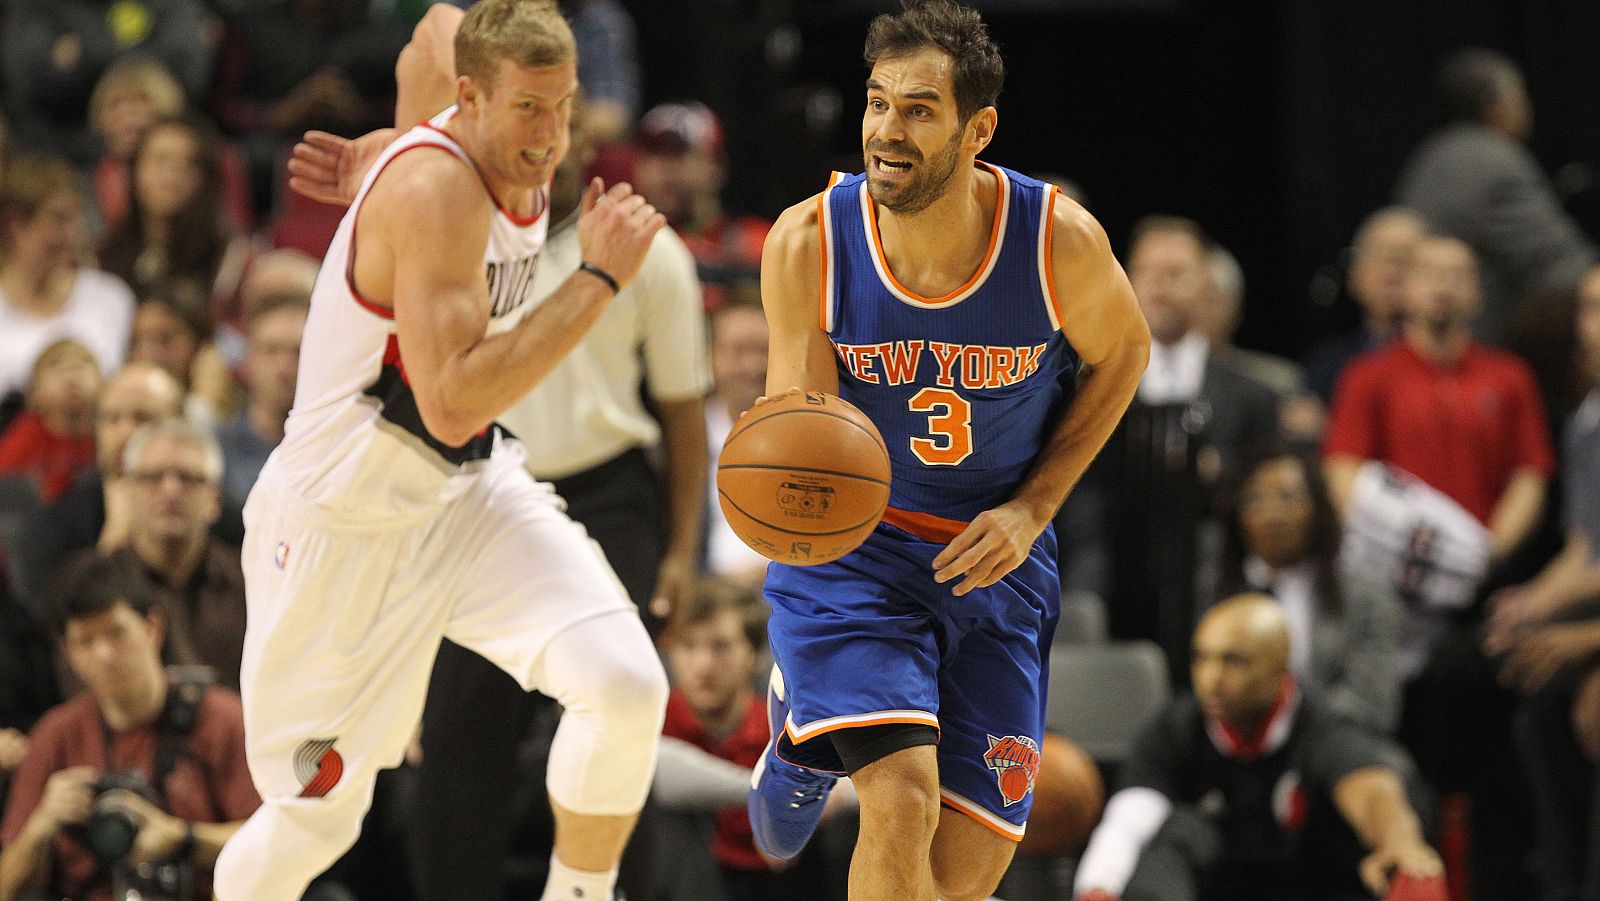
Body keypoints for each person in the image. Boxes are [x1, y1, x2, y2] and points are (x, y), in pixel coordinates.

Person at [210, 2, 671, 899]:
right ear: (471, 96)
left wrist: (385, 139)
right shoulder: (435, 190)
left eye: (565, 105)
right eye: (529, 109)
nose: (550, 136)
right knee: (318, 812)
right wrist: (600, 276)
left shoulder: (482, 122)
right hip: (343, 524)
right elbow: (453, 401)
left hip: (462, 496)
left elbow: (435, 24)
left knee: (624, 686)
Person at [748, 4, 1150, 900]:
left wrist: (1034, 506)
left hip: (994, 553)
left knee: (961, 878)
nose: (887, 130)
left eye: (919, 109)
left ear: (979, 129)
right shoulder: (810, 243)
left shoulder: (1056, 241)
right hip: (864, 549)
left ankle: (802, 730)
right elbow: (805, 436)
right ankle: (816, 712)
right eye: (878, 101)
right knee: (900, 802)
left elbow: (1126, 353)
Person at [407, 98, 708, 898]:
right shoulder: (459, 235)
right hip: (480, 492)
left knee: (618, 715)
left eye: (562, 133)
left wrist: (680, 554)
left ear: (586, 144)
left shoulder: (651, 249)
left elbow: (684, 422)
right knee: (457, 739)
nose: (546, 147)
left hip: (610, 497)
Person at [1071, 594, 1445, 901]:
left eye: (1234, 661)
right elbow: (1131, 818)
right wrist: (1098, 888)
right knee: (1176, 833)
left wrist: (1400, 845)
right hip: (1220, 885)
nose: (1211, 679)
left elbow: (1372, 791)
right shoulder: (1177, 726)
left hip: (1315, 884)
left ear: (1279, 667)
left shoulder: (1323, 725)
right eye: (1202, 658)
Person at [0, 556, 259, 901]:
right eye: (86, 642)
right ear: (67, 652)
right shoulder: (56, 735)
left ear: (153, 628)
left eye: (116, 633)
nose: (104, 654)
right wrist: (41, 827)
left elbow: (275, 843)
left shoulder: (221, 718)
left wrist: (184, 839)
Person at [654, 578, 844, 900]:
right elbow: (651, 769)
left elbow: (867, 776)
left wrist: (821, 794)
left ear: (755, 656)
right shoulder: (653, 717)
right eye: (688, 645)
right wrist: (778, 793)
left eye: (721, 646)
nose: (703, 664)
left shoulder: (783, 725)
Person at [1397, 49, 1596, 342]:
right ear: (1494, 106)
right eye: (1519, 96)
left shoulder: (1429, 157)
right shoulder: (1495, 161)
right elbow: (1558, 261)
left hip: (1418, 337)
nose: (1528, 108)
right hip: (1478, 344)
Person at [60, 419, 247, 687]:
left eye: (187, 478)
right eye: (153, 477)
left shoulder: (251, 582)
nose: (170, 490)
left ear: (214, 499)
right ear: (127, 492)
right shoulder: (84, 585)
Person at [0, 153, 136, 401]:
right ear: (16, 225)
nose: (73, 234)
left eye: (77, 218)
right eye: (58, 219)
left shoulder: (110, 297)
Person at [1302, 207, 1425, 404]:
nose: (1392, 272)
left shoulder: (1453, 365)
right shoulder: (1327, 368)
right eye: (1380, 256)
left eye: (1405, 258)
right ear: (1354, 278)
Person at [704, 290, 775, 582]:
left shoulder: (811, 436)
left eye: (763, 350)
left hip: (781, 594)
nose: (752, 366)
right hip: (705, 599)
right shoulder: (682, 439)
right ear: (711, 357)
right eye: (738, 352)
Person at [216, 291, 308, 513]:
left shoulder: (337, 453)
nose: (284, 368)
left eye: (298, 352)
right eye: (271, 350)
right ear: (248, 361)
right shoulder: (219, 452)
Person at [0, 339, 101, 504]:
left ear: (103, 385)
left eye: (82, 365)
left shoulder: (110, 429)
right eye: (56, 366)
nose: (72, 376)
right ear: (33, 393)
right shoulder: (24, 435)